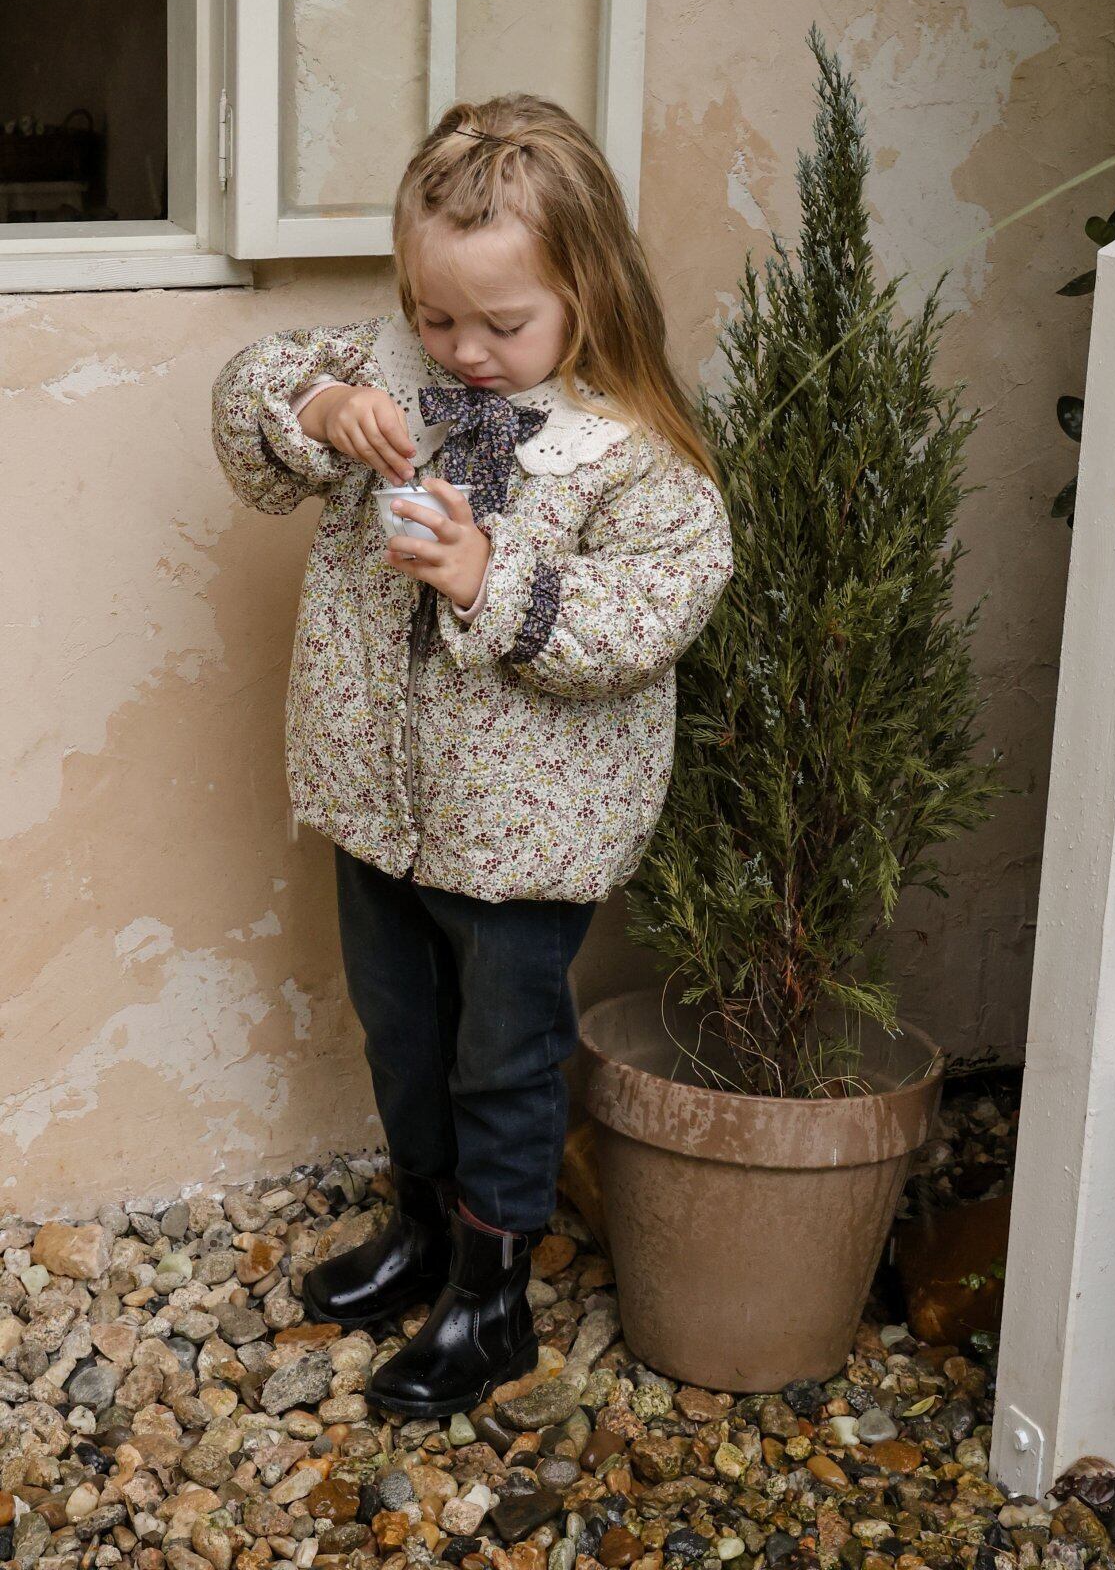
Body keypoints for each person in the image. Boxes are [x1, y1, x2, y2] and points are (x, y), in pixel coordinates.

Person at [209, 94, 735, 1418]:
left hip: (525, 832)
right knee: (401, 1029)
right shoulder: (394, 370)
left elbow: (648, 615)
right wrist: (327, 403)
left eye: (501, 323)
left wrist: (489, 576)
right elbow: (250, 388)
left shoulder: (628, 454)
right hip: (379, 798)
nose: (463, 350)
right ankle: (424, 1229)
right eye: (436, 316)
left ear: (587, 291)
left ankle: (493, 1297)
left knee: (500, 1053)